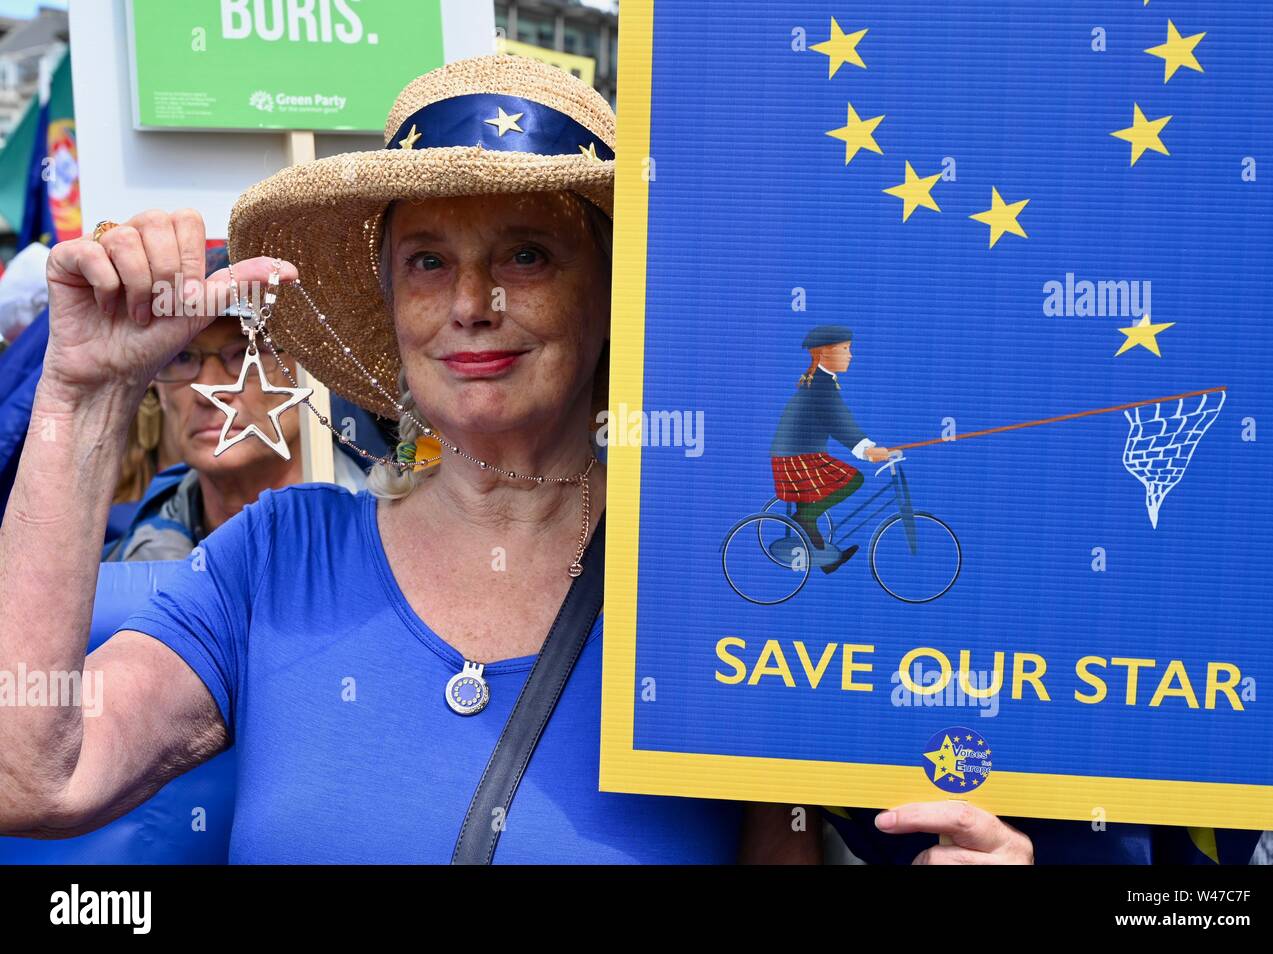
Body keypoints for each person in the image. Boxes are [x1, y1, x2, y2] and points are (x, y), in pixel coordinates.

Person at [0, 55, 1031, 863]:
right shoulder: (275, 561)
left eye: (526, 253)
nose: (470, 301)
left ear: (613, 289)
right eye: (428, 260)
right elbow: (32, 779)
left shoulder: (720, 588)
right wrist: (81, 397)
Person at [104, 249, 366, 562]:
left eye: (245, 352)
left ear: (313, 371)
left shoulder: (387, 538)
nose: (209, 391)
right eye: (182, 357)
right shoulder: (120, 566)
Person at [770, 325, 891, 574]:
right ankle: (806, 519)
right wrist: (867, 450)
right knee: (853, 479)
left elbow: (839, 419)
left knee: (812, 501)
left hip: (797, 453)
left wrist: (868, 447)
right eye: (845, 349)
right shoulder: (821, 387)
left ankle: (826, 559)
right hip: (797, 456)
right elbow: (838, 422)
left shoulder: (821, 381)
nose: (850, 355)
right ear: (825, 353)